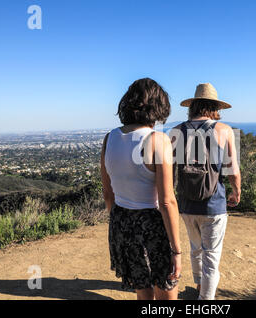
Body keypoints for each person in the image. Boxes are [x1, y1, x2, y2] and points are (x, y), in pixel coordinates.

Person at [101, 78, 182, 300]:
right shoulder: (158, 140)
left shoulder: (110, 138)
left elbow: (108, 193)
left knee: (143, 291)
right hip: (152, 224)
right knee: (166, 292)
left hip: (121, 221)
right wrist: (177, 250)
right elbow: (167, 201)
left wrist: (121, 224)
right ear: (158, 106)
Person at [171, 83, 241, 300]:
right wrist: (236, 192)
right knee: (212, 257)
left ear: (193, 106)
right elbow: (233, 169)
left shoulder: (176, 131)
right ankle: (205, 302)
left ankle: (200, 286)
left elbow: (169, 169)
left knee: (195, 249)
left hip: (186, 204)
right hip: (214, 204)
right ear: (214, 107)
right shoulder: (224, 130)